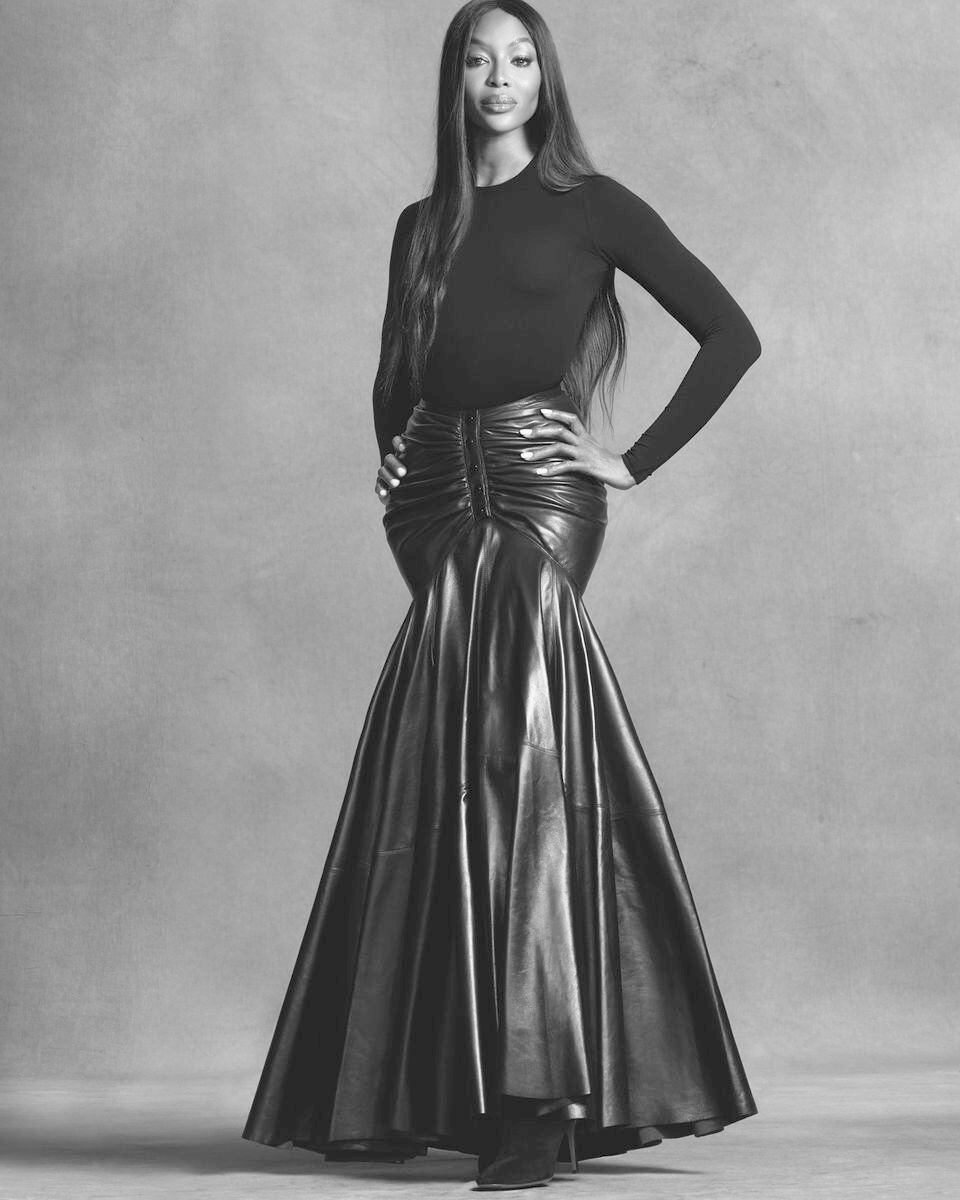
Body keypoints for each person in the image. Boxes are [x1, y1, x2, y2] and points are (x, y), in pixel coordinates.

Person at [242, 1, 761, 1190]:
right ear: (455, 80)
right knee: (450, 749)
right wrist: (391, 453)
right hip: (432, 495)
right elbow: (399, 367)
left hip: (540, 483)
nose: (500, 77)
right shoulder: (421, 224)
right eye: (480, 60)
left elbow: (731, 335)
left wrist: (632, 461)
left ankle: (536, 1096)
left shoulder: (594, 205)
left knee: (520, 743)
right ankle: (446, 1082)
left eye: (521, 59)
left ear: (545, 79)